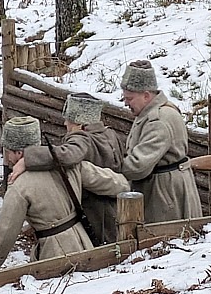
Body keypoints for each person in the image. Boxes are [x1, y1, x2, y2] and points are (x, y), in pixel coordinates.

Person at [0, 116, 131, 274]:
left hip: (53, 257)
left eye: (8, 152)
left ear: (19, 152)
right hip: (85, 246)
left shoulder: (19, 186)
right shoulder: (69, 167)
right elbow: (118, 184)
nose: (7, 158)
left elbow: (3, 237)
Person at [8, 93, 125, 244]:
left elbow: (67, 155)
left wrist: (28, 159)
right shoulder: (111, 134)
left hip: (92, 213)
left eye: (69, 120)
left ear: (80, 124)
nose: (65, 124)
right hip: (115, 207)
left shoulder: (81, 138)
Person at [120, 59, 202, 223]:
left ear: (146, 95)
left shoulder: (158, 121)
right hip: (162, 189)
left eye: (130, 98)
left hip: (166, 195)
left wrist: (111, 168)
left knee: (168, 242)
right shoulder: (149, 112)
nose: (125, 102)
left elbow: (138, 166)